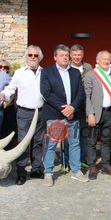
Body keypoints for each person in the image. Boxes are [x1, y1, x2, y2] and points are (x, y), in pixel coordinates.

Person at [0, 46, 45, 185]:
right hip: (24, 112)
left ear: (39, 57)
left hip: (40, 112)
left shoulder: (44, 72)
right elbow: (10, 88)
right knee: (23, 142)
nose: (33, 58)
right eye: (30, 55)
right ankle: (21, 172)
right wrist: (2, 95)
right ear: (26, 57)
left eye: (36, 55)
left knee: (37, 141)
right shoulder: (19, 73)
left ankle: (36, 169)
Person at [40, 44, 88, 186]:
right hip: (55, 114)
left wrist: (72, 107)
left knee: (74, 143)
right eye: (61, 55)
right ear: (55, 57)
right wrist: (64, 108)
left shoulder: (74, 72)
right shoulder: (47, 72)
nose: (65, 58)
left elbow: (81, 93)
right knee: (51, 144)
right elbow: (46, 93)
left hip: (72, 115)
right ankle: (48, 173)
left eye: (66, 55)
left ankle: (76, 170)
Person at [84, 50, 111, 179]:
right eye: (103, 59)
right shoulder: (91, 75)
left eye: (108, 59)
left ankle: (106, 166)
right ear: (97, 60)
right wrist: (90, 113)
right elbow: (87, 96)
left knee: (106, 141)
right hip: (95, 113)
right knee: (92, 141)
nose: (106, 61)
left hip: (108, 112)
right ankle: (92, 167)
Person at [70, 44, 93, 168]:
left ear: (82, 55)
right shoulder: (66, 66)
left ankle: (83, 159)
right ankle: (69, 160)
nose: (77, 57)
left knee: (84, 133)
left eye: (79, 54)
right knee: (70, 133)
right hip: (71, 105)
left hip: (84, 105)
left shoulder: (88, 67)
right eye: (74, 55)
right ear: (70, 55)